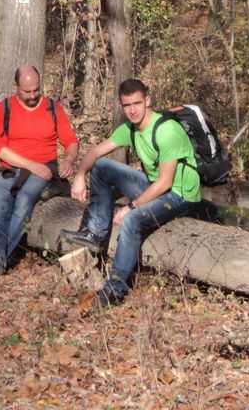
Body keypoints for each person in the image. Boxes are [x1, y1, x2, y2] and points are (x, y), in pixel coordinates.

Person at [60, 78, 200, 308]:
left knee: (131, 220)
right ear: (121, 105)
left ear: (148, 100)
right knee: (101, 166)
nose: (133, 110)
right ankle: (95, 234)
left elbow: (166, 182)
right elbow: (95, 152)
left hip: (180, 195)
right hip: (155, 186)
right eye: (127, 105)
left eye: (137, 103)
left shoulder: (167, 131)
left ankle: (114, 288)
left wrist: (131, 206)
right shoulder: (129, 129)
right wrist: (79, 175)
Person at [0, 65, 79, 275]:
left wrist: (69, 159)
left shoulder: (53, 108)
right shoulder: (2, 109)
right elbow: (0, 149)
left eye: (36, 90)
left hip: (45, 168)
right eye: (27, 91)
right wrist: (30, 164)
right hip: (11, 168)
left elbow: (71, 141)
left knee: (24, 200)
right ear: (15, 86)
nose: (32, 96)